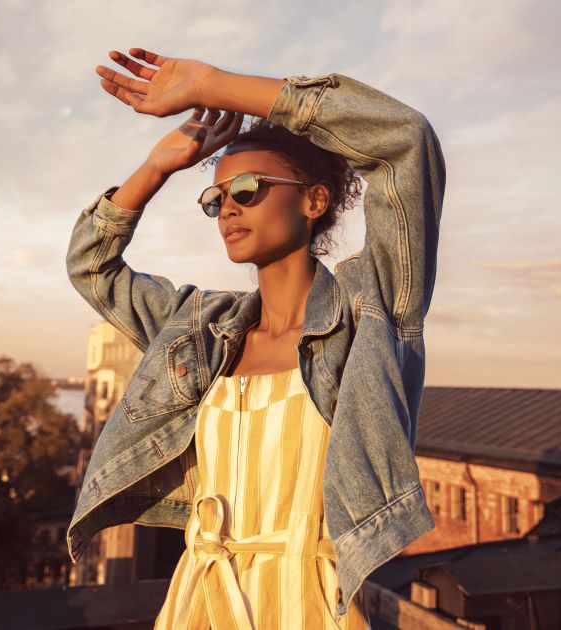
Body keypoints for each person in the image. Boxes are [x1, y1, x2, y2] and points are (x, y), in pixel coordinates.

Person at [65, 49, 446, 629]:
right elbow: (92, 267)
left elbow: (404, 140)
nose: (226, 209)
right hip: (195, 602)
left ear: (314, 200)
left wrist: (213, 85)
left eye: (247, 188)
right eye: (215, 198)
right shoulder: (197, 332)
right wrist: (159, 166)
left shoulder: (370, 314)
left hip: (310, 606)